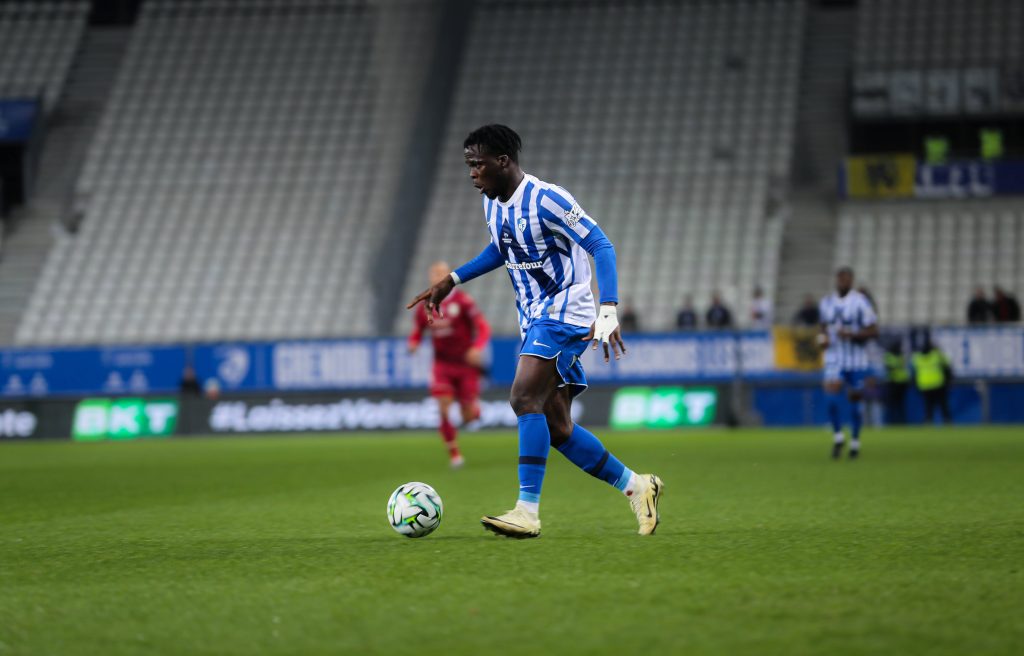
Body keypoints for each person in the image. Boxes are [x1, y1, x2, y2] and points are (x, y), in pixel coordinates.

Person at [407, 124, 662, 538]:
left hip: (566, 311)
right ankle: (638, 486)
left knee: (523, 395)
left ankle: (527, 511)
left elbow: (601, 245)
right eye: (469, 165)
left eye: (478, 165)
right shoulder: (492, 203)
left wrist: (609, 307)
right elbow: (501, 248)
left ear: (503, 162)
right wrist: (452, 279)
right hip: (534, 317)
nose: (472, 174)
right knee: (557, 427)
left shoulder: (549, 199)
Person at [408, 261, 491, 468]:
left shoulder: (464, 302)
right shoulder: (425, 305)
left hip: (465, 365)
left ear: (449, 277)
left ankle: (473, 409)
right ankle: (455, 454)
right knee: (443, 406)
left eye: (442, 273)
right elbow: (418, 329)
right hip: (442, 365)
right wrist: (414, 342)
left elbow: (483, 328)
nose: (437, 277)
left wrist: (477, 347)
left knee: (469, 416)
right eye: (434, 273)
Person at [818, 266, 879, 459]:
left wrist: (852, 334)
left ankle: (854, 441)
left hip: (856, 360)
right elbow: (822, 328)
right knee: (830, 398)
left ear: (851, 281)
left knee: (855, 400)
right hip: (834, 358)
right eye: (840, 278)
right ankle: (837, 437)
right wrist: (822, 340)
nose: (842, 281)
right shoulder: (826, 302)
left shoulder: (860, 302)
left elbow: (873, 330)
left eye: (846, 279)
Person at [911, 338, 953, 424]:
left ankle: (928, 421)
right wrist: (949, 379)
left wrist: (915, 383)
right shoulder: (937, 355)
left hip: (925, 384)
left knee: (928, 405)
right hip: (938, 383)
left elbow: (913, 372)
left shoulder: (917, 357)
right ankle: (946, 420)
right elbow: (947, 365)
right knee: (942, 404)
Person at [882, 341, 909, 425]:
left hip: (899, 382)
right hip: (894, 382)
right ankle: (893, 422)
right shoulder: (892, 356)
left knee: (898, 404)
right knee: (894, 404)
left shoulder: (895, 356)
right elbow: (889, 367)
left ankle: (900, 422)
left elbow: (891, 367)